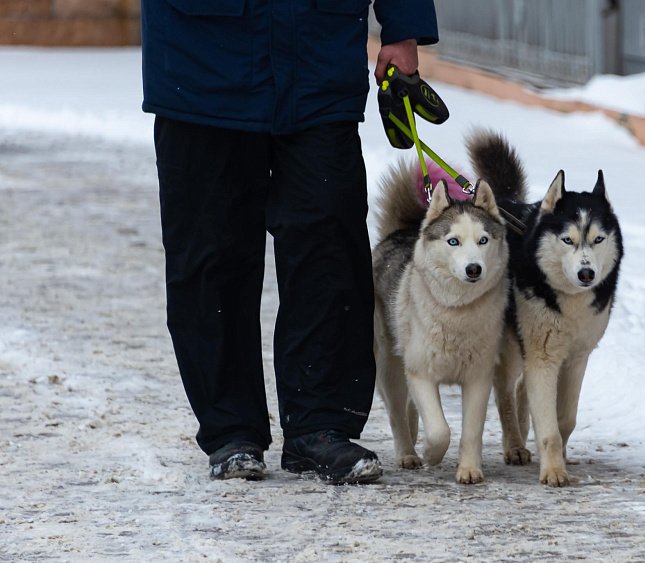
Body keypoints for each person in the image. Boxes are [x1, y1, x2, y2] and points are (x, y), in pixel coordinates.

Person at [140, 0, 438, 483]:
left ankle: (320, 426)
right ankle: (230, 428)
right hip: (199, 60)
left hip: (317, 53)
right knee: (210, 254)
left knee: (329, 249)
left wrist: (404, 28)